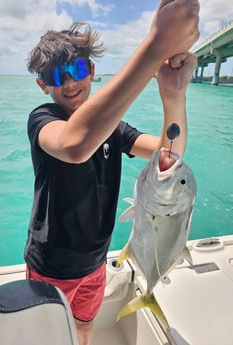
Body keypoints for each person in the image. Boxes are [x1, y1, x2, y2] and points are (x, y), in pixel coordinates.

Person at [24, 0, 199, 344]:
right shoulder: (44, 120)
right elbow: (76, 145)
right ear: (43, 85)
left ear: (91, 70)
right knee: (48, 336)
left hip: (96, 263)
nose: (70, 82)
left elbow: (170, 154)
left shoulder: (113, 129)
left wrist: (173, 93)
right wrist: (155, 47)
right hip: (51, 267)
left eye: (77, 69)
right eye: (57, 76)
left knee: (85, 328)